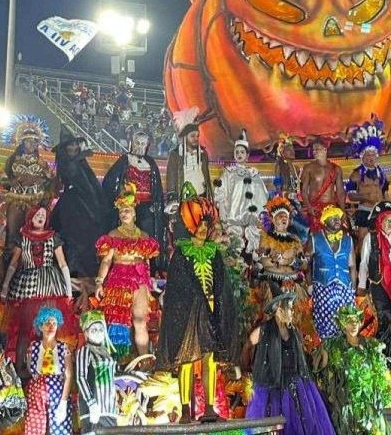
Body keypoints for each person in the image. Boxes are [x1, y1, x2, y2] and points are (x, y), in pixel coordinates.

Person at [156, 195, 237, 422]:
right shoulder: (181, 253)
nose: (202, 230)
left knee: (209, 359)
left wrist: (217, 304)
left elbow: (221, 282)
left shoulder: (214, 253)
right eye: (199, 226)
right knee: (187, 359)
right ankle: (184, 410)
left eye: (205, 227)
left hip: (210, 311)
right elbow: (177, 285)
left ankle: (210, 408)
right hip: (189, 312)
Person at [246, 292, 335, 435]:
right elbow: (249, 344)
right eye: (289, 308)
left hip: (295, 383)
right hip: (273, 385)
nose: (292, 311)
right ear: (279, 310)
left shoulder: (294, 332)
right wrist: (247, 367)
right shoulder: (264, 330)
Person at [3, 203, 75, 364]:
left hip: (50, 285)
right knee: (25, 328)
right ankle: (21, 367)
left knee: (48, 328)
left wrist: (69, 291)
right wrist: (5, 287)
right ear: (30, 218)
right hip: (27, 286)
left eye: (43, 214)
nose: (41, 217)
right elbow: (14, 264)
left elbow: (63, 264)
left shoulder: (53, 237)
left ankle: (47, 366)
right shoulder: (22, 238)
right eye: (37, 215)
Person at [94, 185, 160, 354]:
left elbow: (147, 262)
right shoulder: (113, 235)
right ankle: (118, 361)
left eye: (127, 210)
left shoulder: (144, 236)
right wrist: (99, 282)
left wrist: (150, 280)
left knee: (139, 321)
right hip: (118, 279)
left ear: (134, 213)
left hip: (139, 281)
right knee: (118, 322)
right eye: (121, 211)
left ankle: (144, 359)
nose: (124, 214)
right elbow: (107, 261)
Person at [50, 128, 112, 296]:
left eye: (75, 144)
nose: (74, 147)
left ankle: (87, 277)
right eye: (70, 145)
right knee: (74, 240)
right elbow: (72, 173)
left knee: (88, 239)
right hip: (73, 207)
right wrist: (82, 155)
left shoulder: (80, 162)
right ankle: (74, 277)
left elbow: (90, 186)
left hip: (87, 205)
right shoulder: (66, 162)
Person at [317, 304, 391, 435]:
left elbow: (380, 372)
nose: (354, 325)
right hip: (348, 403)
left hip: (370, 402)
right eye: (349, 321)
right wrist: (332, 393)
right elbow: (325, 374)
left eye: (356, 321)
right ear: (342, 324)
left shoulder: (370, 345)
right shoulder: (334, 347)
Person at [102, 129, 166, 269]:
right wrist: (121, 193)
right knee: (126, 235)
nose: (140, 146)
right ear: (132, 143)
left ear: (147, 145)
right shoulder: (125, 160)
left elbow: (157, 187)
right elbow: (111, 180)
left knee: (147, 236)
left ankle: (149, 268)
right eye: (138, 142)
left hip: (148, 205)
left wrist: (157, 204)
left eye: (143, 143)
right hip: (129, 204)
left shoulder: (151, 163)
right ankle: (123, 265)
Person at [358, 201, 391, 365]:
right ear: (380, 220)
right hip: (379, 283)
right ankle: (384, 357)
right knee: (384, 320)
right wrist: (361, 285)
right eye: (388, 220)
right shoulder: (371, 238)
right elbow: (364, 262)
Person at [0, 115, 55, 250]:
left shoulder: (42, 163)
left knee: (31, 233)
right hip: (16, 200)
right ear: (22, 142)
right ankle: (10, 263)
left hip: (35, 202)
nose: (32, 144)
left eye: (35, 142)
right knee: (12, 233)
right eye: (29, 141)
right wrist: (11, 181)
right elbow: (2, 178)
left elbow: (51, 182)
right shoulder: (12, 160)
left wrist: (43, 186)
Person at [22, 307, 73, 435]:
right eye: (47, 323)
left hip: (57, 391)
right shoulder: (33, 347)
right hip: (36, 392)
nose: (51, 326)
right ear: (40, 326)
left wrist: (63, 402)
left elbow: (69, 375)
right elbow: (31, 369)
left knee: (60, 428)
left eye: (54, 323)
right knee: (34, 427)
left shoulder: (63, 348)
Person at [216, 129, 269, 252]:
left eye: (242, 152)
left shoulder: (253, 173)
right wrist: (222, 207)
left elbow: (261, 195)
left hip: (252, 218)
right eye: (237, 152)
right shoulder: (229, 172)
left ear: (247, 155)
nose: (239, 154)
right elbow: (221, 191)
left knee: (253, 248)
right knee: (234, 247)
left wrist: (263, 215)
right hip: (234, 216)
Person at [308, 204, 356, 340]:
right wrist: (310, 285)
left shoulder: (348, 240)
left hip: (344, 288)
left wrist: (353, 289)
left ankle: (344, 351)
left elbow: (352, 266)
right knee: (325, 322)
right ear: (324, 221)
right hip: (323, 287)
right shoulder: (315, 238)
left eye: (338, 217)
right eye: (332, 217)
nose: (337, 220)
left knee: (346, 322)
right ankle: (326, 352)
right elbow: (306, 264)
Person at [346, 118, 389, 243]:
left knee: (381, 242)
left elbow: (385, 194)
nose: (371, 158)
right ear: (362, 157)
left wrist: (389, 207)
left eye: (373, 154)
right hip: (365, 211)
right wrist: (365, 197)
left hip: (380, 212)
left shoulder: (381, 173)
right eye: (368, 155)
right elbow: (350, 195)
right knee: (363, 242)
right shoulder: (356, 174)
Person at [74, 310, 118, 433]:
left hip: (110, 408)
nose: (98, 333)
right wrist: (91, 403)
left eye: (100, 329)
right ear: (86, 333)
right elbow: (80, 377)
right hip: (92, 409)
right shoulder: (85, 351)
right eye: (94, 330)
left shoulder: (107, 352)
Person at [166, 108, 214, 200]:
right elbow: (171, 180)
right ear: (185, 137)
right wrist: (172, 199)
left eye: (197, 136)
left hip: (202, 198)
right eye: (192, 136)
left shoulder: (203, 154)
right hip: (184, 199)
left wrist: (210, 197)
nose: (196, 139)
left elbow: (206, 178)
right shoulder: (175, 154)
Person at [298, 138, 344, 231]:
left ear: (325, 150)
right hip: (314, 207)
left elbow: (340, 192)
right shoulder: (308, 168)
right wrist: (309, 207)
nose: (314, 152)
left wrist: (342, 210)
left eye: (317, 149)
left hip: (331, 207)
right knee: (315, 234)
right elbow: (303, 191)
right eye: (313, 150)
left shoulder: (336, 169)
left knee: (333, 233)